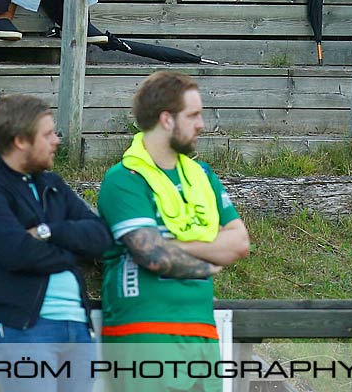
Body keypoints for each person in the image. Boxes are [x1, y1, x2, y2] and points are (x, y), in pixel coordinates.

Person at [97, 71, 248, 387]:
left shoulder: (202, 173)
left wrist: (172, 242)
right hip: (143, 332)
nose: (201, 124)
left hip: (201, 332)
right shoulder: (124, 178)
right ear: (166, 119)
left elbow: (239, 243)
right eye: (192, 115)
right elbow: (153, 257)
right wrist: (210, 259)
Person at [0, 93, 109, 392]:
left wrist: (47, 232)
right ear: (20, 141)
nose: (57, 140)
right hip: (22, 328)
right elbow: (19, 253)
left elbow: (101, 238)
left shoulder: (52, 185)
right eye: (48, 133)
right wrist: (72, 249)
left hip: (77, 327)